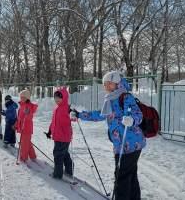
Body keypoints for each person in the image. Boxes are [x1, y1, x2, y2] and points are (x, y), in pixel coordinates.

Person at [76, 71, 145, 200]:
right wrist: (80, 114)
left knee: (122, 178)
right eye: (104, 84)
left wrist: (132, 120)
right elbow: (99, 115)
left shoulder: (125, 97)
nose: (106, 86)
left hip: (130, 144)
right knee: (130, 175)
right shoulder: (110, 99)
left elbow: (138, 115)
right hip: (121, 145)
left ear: (117, 83)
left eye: (109, 83)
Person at [45, 87, 73, 179]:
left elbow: (73, 118)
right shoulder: (56, 108)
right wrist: (50, 131)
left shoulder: (67, 108)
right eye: (55, 98)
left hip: (64, 136)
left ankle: (57, 174)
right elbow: (53, 122)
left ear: (64, 97)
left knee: (58, 155)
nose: (57, 100)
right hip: (58, 136)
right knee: (64, 154)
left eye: (59, 98)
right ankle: (69, 170)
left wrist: (72, 113)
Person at [15, 89, 38, 163]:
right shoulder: (22, 105)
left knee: (24, 144)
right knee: (27, 142)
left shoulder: (28, 106)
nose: (22, 98)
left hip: (26, 128)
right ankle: (33, 156)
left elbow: (28, 117)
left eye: (23, 97)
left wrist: (28, 113)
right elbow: (19, 118)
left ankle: (23, 158)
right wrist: (17, 125)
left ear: (27, 98)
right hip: (22, 127)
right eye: (21, 97)